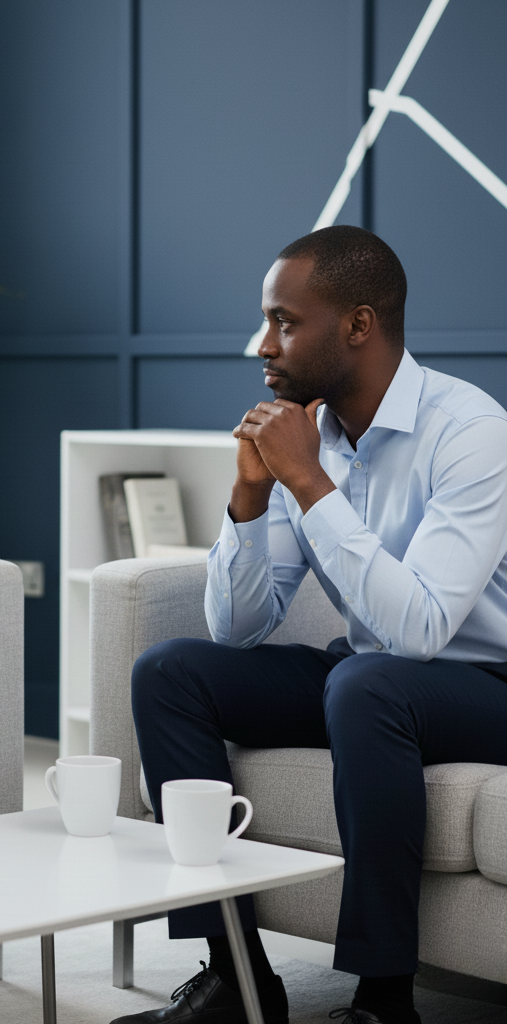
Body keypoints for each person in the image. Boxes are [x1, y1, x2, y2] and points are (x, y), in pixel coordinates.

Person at [116, 226, 507, 1024]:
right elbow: (236, 628)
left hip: (486, 686)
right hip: (375, 683)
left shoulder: (470, 431)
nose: (263, 344)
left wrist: (308, 480)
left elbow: (424, 629)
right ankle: (237, 979)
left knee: (367, 683)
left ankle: (383, 1000)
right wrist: (253, 497)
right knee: (172, 672)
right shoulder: (312, 434)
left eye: (284, 322)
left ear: (358, 326)